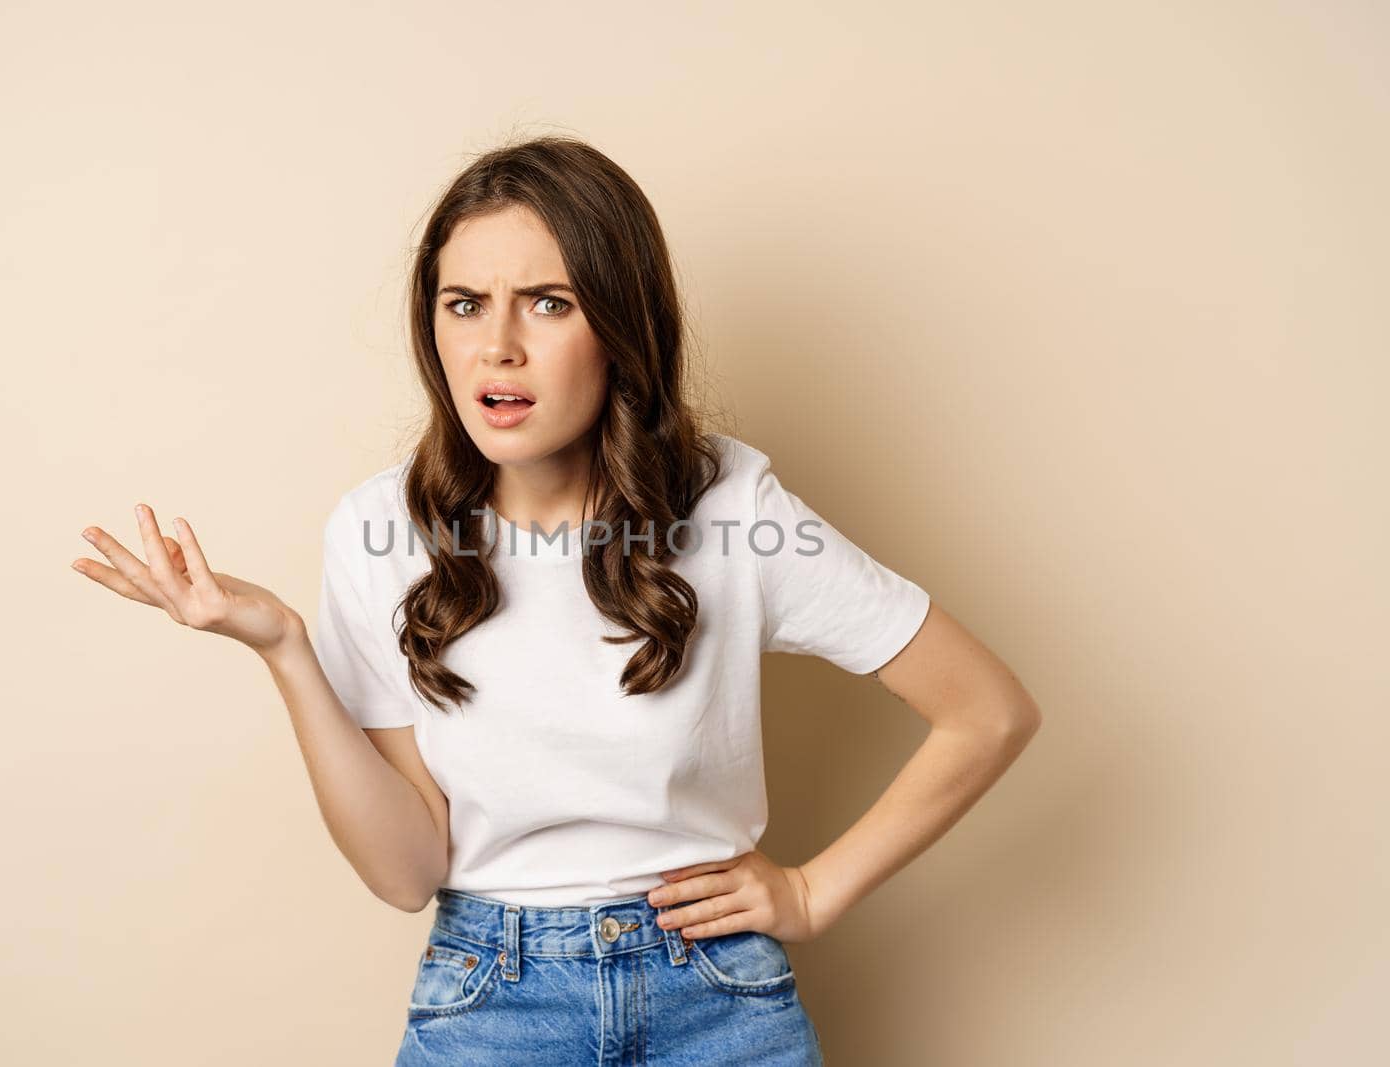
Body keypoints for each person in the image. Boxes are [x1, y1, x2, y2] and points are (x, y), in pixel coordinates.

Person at [72, 136, 1042, 1066]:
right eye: (463, 304)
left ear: (620, 328)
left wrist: (811, 890)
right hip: (489, 1001)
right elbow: (406, 872)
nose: (497, 346)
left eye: (546, 303)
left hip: (715, 1001)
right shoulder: (379, 530)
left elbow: (988, 711)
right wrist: (282, 643)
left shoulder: (733, 508)